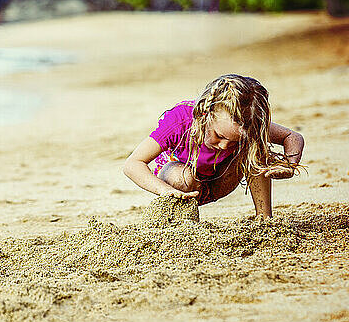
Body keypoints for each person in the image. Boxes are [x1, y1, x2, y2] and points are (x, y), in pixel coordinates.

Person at [123, 74, 305, 218]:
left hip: (220, 181)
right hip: (180, 186)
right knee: (183, 178)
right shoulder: (180, 120)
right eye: (219, 136)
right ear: (204, 114)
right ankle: (185, 224)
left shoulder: (247, 124)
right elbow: (133, 164)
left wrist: (290, 165)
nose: (225, 146)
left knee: (257, 150)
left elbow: (292, 136)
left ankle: (264, 219)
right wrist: (165, 190)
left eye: (234, 141)